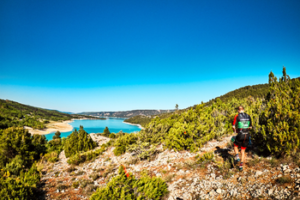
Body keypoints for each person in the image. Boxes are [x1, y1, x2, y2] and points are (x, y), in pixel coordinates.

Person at [232, 106, 252, 171]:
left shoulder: (237, 116)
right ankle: (241, 166)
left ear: (238, 110)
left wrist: (235, 131)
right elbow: (250, 127)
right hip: (247, 135)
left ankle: (237, 157)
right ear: (243, 109)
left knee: (235, 146)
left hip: (240, 134)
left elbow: (233, 126)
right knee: (243, 151)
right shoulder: (248, 116)